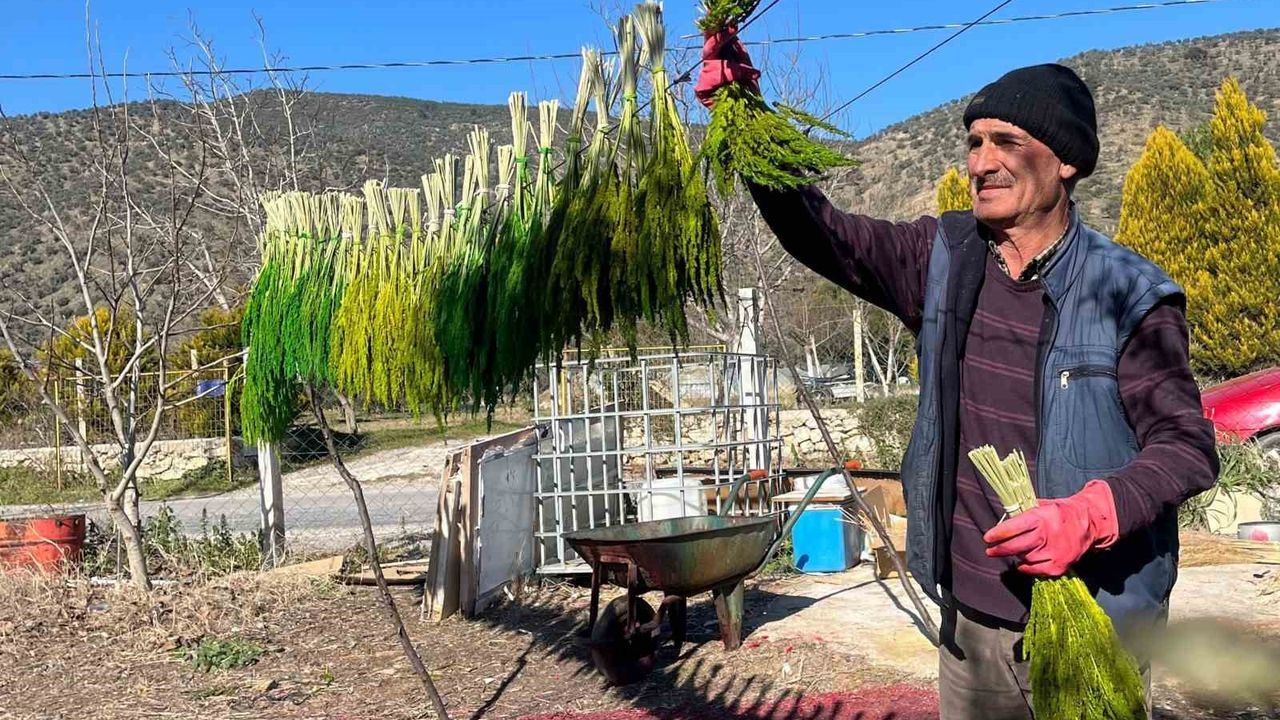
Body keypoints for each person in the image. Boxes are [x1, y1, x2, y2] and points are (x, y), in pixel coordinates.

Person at [695, 30, 1220, 720]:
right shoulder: (943, 258)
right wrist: (746, 118)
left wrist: (1088, 515)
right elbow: (823, 233)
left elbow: (1186, 447)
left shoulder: (1128, 292)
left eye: (1006, 142)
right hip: (972, 623)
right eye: (974, 143)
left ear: (1066, 161)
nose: (981, 161)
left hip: (1096, 622)